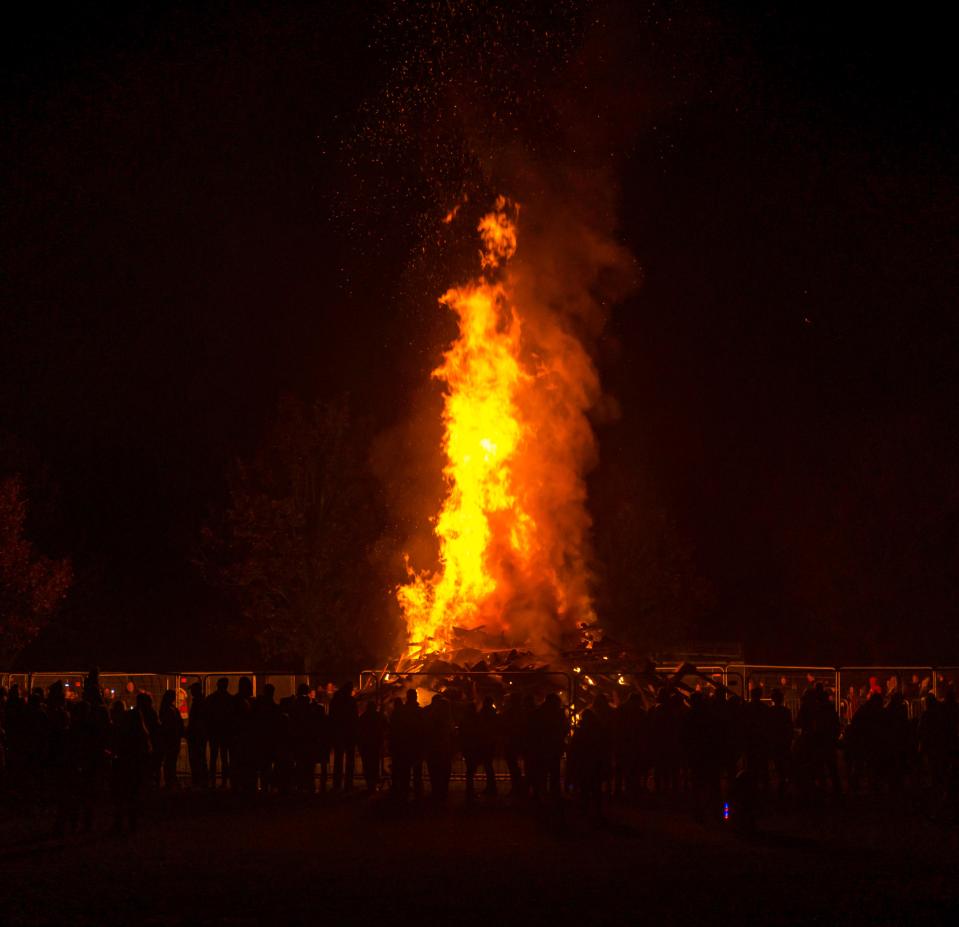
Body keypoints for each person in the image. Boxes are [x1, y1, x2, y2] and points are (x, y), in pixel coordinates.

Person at [329, 681, 358, 792]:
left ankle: (337, 784)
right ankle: (348, 784)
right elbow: (354, 718)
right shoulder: (350, 701)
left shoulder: (335, 701)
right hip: (348, 733)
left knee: (338, 759)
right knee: (349, 760)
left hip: (339, 733)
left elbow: (331, 717)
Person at [205, 677, 234, 788]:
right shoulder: (230, 699)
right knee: (224, 758)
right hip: (225, 733)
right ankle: (224, 781)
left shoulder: (211, 699)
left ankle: (212, 781)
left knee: (213, 757)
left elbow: (207, 716)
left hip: (214, 732)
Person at [356, 700, 384, 794]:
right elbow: (385, 726)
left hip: (366, 745)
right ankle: (373, 784)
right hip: (374, 744)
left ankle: (369, 784)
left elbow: (359, 731)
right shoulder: (378, 716)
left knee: (367, 764)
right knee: (374, 764)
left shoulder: (363, 717)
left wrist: (359, 745)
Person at [157, 690, 184, 790]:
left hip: (171, 738)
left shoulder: (167, 709)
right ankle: (170, 779)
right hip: (171, 738)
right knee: (170, 760)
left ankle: (170, 779)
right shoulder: (171, 709)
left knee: (171, 760)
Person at [186, 682, 208, 788]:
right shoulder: (201, 701)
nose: (191, 692)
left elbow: (196, 720)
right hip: (199, 735)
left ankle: (198, 780)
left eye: (192, 690)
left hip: (196, 735)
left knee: (196, 758)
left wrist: (190, 730)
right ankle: (201, 780)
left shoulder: (198, 702)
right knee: (200, 757)